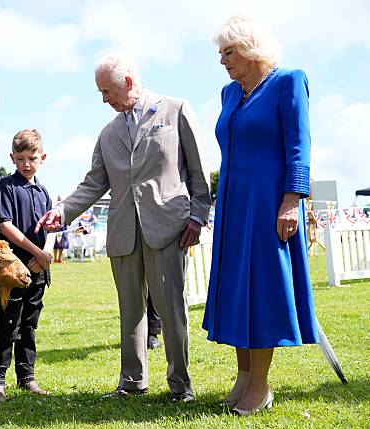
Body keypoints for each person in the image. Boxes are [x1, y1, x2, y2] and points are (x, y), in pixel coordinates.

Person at [36, 55, 211, 403]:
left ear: (129, 82)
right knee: (131, 312)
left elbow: (198, 169)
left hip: (169, 228)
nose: (104, 100)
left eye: (107, 91)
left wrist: (198, 215)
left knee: (171, 310)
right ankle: (132, 382)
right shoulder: (108, 132)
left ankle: (180, 385)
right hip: (123, 234)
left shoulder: (175, 110)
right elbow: (93, 183)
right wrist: (63, 211)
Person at [202, 16, 319, 416]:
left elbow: (299, 147)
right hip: (234, 205)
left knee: (263, 290)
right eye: (220, 54)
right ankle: (243, 375)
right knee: (237, 288)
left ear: (250, 48)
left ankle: (260, 383)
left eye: (228, 52)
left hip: (270, 204)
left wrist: (292, 202)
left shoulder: (289, 81)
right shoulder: (228, 93)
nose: (222, 61)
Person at [0, 129, 53, 402]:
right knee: (8, 324)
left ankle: (27, 378)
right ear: (12, 158)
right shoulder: (6, 187)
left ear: (42, 158)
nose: (27, 164)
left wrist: (44, 256)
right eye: (21, 158)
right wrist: (35, 252)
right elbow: (5, 225)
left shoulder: (44, 192)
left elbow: (53, 228)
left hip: (38, 271)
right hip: (13, 272)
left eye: (32, 158)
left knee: (29, 325)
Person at [53, 196, 70, 263]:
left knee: (62, 244)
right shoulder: (55, 208)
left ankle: (60, 258)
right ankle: (55, 258)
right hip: (57, 228)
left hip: (63, 228)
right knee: (56, 244)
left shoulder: (65, 207)